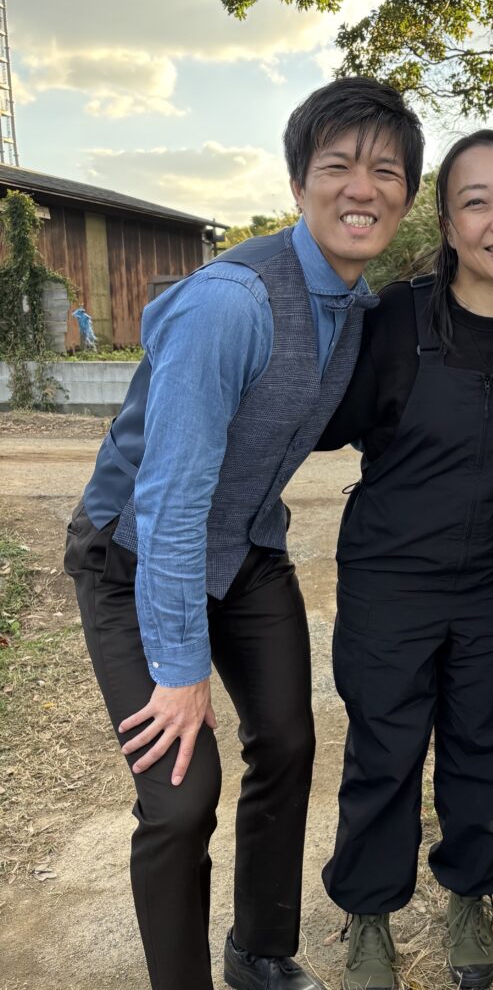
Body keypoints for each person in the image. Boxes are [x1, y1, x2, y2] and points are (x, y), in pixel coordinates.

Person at [63, 77, 424, 990]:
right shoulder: (233, 303)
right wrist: (180, 668)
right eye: (338, 166)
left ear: (407, 196)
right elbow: (169, 502)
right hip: (133, 552)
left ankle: (259, 952)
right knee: (181, 798)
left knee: (289, 743)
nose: (362, 188)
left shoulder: (358, 307)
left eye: (386, 171)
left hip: (248, 548)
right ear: (299, 183)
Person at [314, 130, 493, 990]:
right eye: (476, 202)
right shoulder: (396, 318)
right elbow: (323, 421)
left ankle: (471, 893)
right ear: (448, 224)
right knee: (384, 752)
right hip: (390, 576)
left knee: (485, 743)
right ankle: (368, 912)